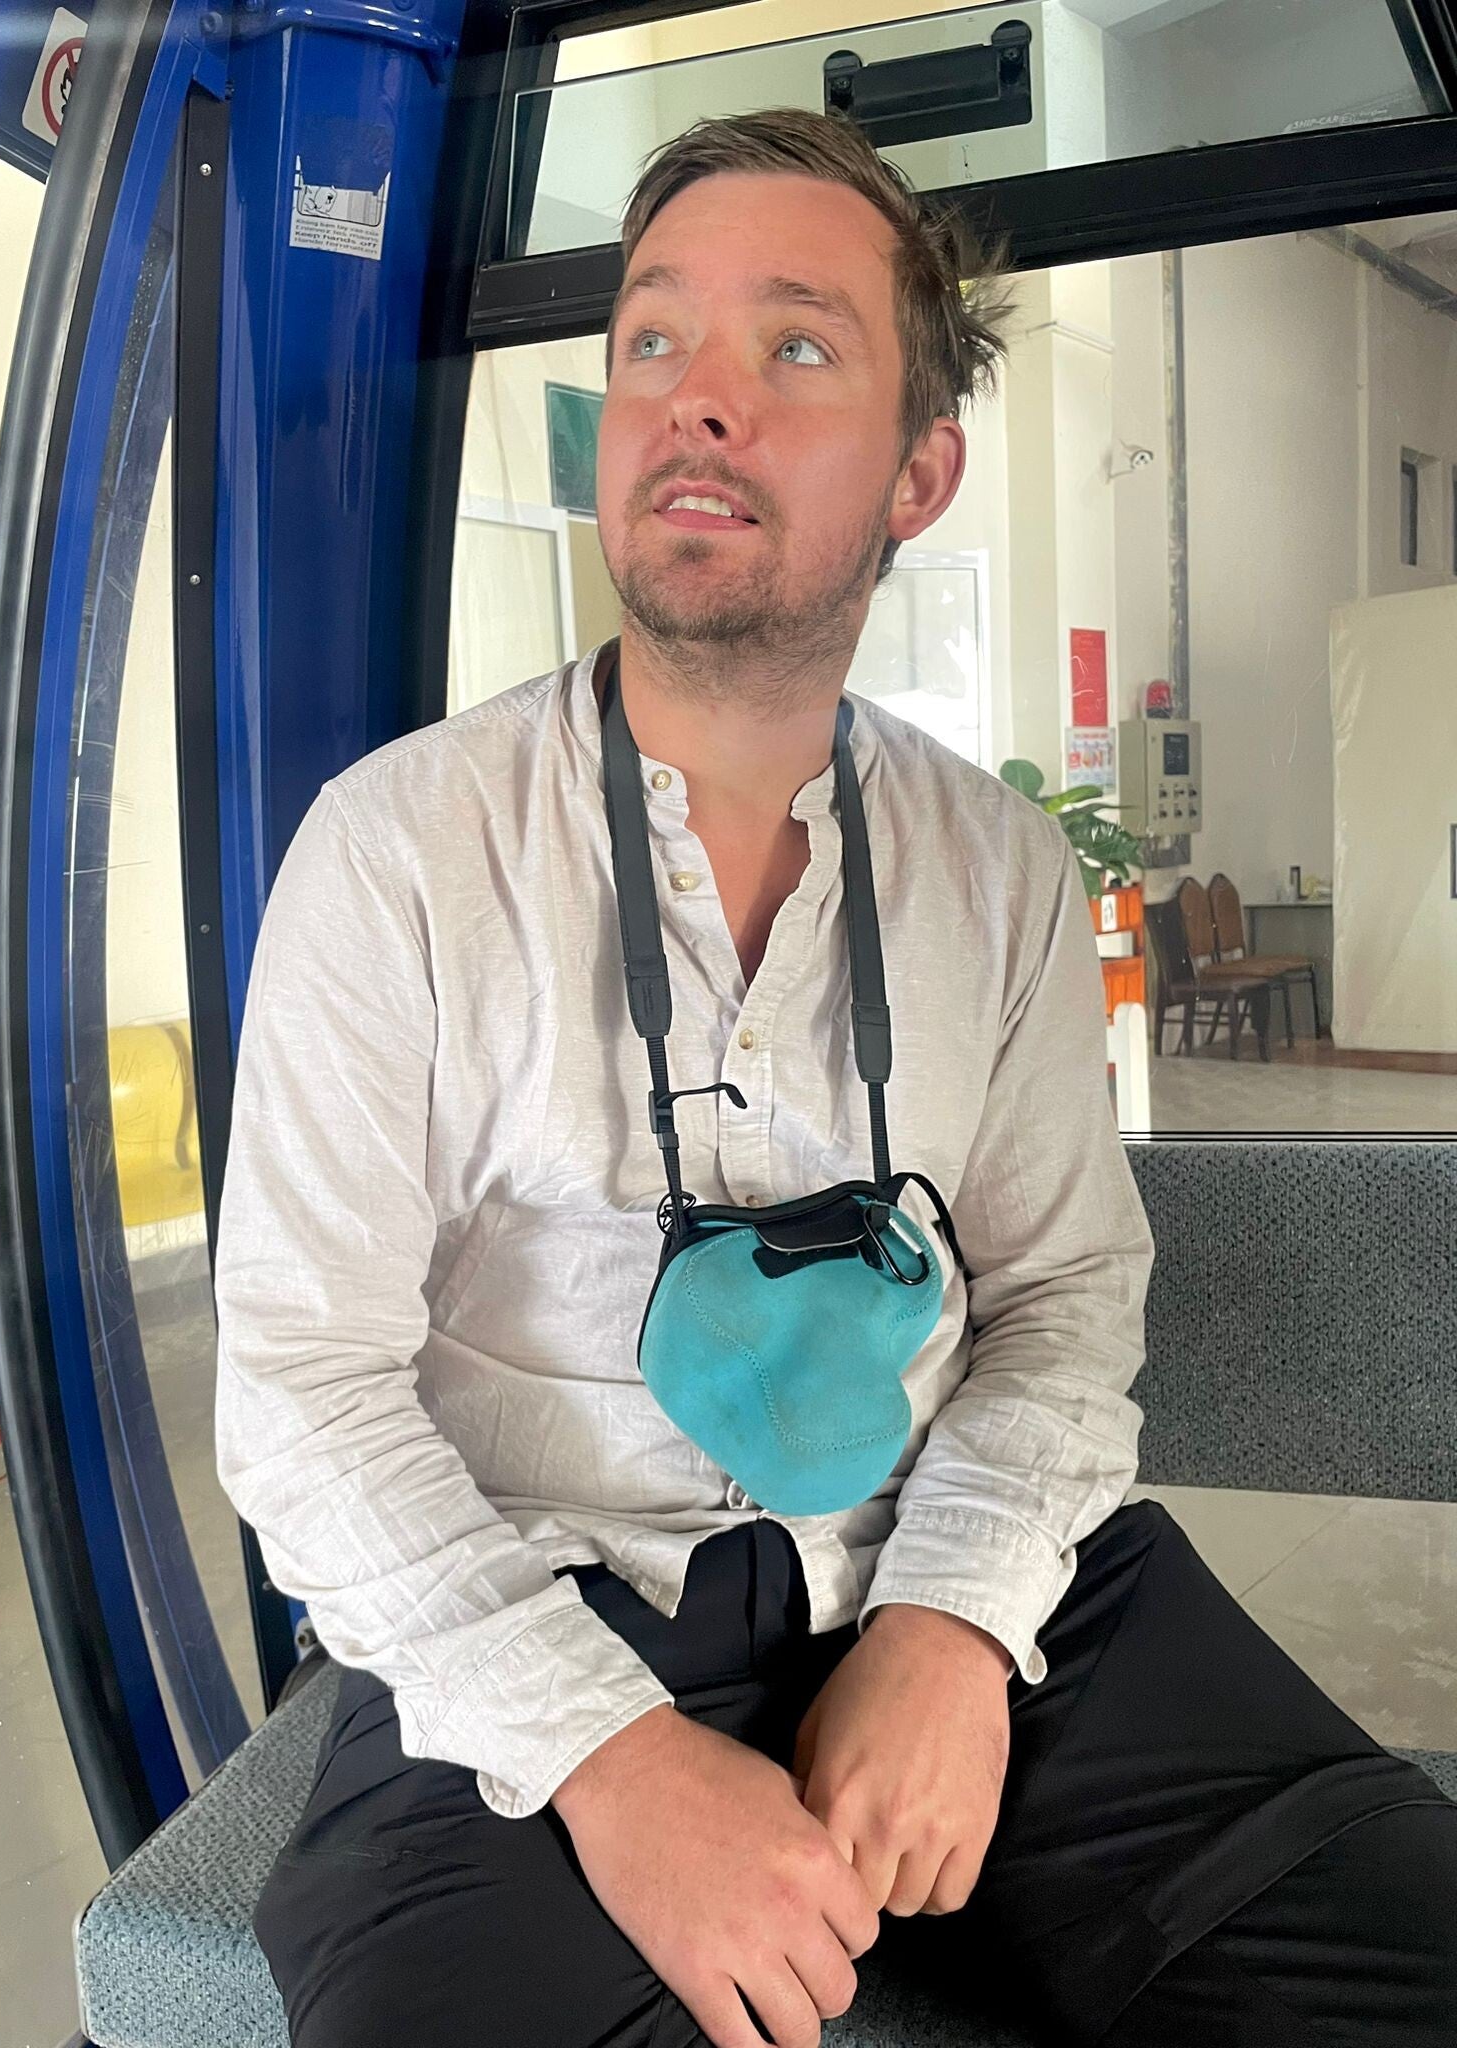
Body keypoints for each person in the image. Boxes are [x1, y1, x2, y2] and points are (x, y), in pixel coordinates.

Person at [215, 108, 1457, 2048]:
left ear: (919, 471)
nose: (695, 398)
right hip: (543, 1600)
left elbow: (1063, 1293)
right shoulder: (402, 854)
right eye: (652, 338)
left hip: (965, 1556)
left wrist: (952, 1618)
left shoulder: (996, 870)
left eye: (794, 344)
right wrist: (611, 1755)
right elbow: (300, 1382)